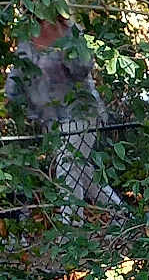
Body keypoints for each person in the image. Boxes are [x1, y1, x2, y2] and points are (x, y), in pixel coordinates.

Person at [5, 17, 126, 220]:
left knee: (67, 166)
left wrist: (63, 45)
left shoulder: (70, 33)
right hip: (52, 122)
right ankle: (123, 217)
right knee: (85, 176)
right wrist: (12, 102)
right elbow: (17, 77)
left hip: (82, 113)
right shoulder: (27, 38)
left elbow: (83, 68)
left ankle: (70, 229)